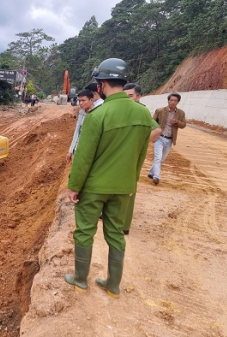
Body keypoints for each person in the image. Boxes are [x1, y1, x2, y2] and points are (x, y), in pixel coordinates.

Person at [64, 58, 153, 299]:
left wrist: (74, 187)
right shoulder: (143, 114)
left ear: (101, 85)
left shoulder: (97, 115)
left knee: (84, 231)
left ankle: (80, 280)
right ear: (123, 83)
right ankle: (113, 285)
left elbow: (84, 157)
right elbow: (141, 154)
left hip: (94, 187)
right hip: (123, 187)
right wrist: (131, 183)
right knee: (115, 233)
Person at [121, 83, 162, 235]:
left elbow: (157, 130)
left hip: (131, 156)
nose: (128, 99)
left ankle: (124, 224)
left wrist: (140, 144)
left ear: (138, 97)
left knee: (129, 186)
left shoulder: (141, 112)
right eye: (125, 96)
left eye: (131, 96)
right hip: (120, 154)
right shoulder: (124, 110)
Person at [148, 93, 186, 185]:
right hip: (159, 138)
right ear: (168, 101)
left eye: (175, 101)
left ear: (178, 102)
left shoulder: (181, 113)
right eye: (171, 100)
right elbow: (152, 122)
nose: (173, 102)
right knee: (158, 157)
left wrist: (177, 122)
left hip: (170, 139)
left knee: (162, 159)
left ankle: (151, 172)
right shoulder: (160, 111)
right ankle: (156, 176)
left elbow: (184, 125)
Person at [66, 89, 95, 163]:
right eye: (79, 101)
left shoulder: (97, 113)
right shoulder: (81, 112)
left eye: (83, 100)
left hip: (90, 152)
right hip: (78, 150)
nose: (81, 103)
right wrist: (71, 150)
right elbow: (77, 132)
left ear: (91, 100)